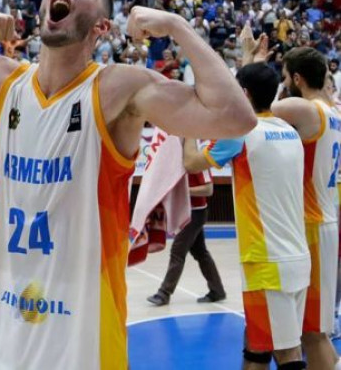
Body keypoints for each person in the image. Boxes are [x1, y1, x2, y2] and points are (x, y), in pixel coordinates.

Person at [0, 0, 256, 369]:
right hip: (0, 337)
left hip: (81, 340)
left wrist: (178, 26)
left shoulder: (118, 89)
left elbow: (235, 118)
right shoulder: (1, 78)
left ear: (101, 27)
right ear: (42, 8)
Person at [182, 61, 310, 370]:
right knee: (256, 347)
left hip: (267, 262)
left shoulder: (240, 134)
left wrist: (187, 127)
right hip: (297, 255)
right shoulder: (289, 131)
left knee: (287, 353)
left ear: (244, 93)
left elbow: (192, 163)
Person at [272, 46, 341, 369]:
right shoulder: (332, 110)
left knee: (313, 332)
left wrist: (254, 65)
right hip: (320, 221)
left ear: (297, 78)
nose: (285, 82)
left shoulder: (307, 109)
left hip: (313, 225)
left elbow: (258, 108)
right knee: (310, 329)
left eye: (286, 76)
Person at [146, 153, 226, 306]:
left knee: (178, 251)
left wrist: (184, 192)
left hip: (196, 213)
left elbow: (208, 190)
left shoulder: (199, 161)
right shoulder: (176, 160)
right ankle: (217, 291)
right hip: (187, 212)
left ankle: (164, 293)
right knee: (200, 253)